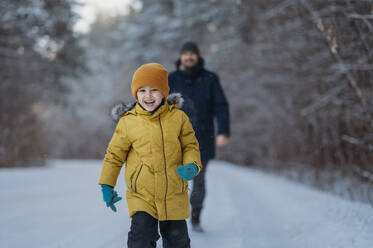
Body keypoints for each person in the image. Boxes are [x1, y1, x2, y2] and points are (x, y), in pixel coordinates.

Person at [98, 63, 202, 248]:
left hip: (173, 192)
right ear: (135, 93)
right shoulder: (128, 122)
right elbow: (114, 156)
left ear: (164, 91)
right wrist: (107, 185)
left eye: (154, 90)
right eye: (142, 90)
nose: (148, 96)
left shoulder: (178, 118)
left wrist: (192, 165)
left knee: (177, 242)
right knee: (140, 240)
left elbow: (190, 146)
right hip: (142, 195)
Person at [168, 41, 230, 232]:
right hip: (174, 139)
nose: (188, 57)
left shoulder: (210, 79)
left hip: (203, 138)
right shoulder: (171, 79)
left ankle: (195, 217)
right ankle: (173, 218)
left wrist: (223, 131)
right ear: (180, 56)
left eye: (192, 53)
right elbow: (158, 104)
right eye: (185, 53)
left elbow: (221, 105)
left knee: (199, 180)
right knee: (172, 179)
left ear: (197, 56)